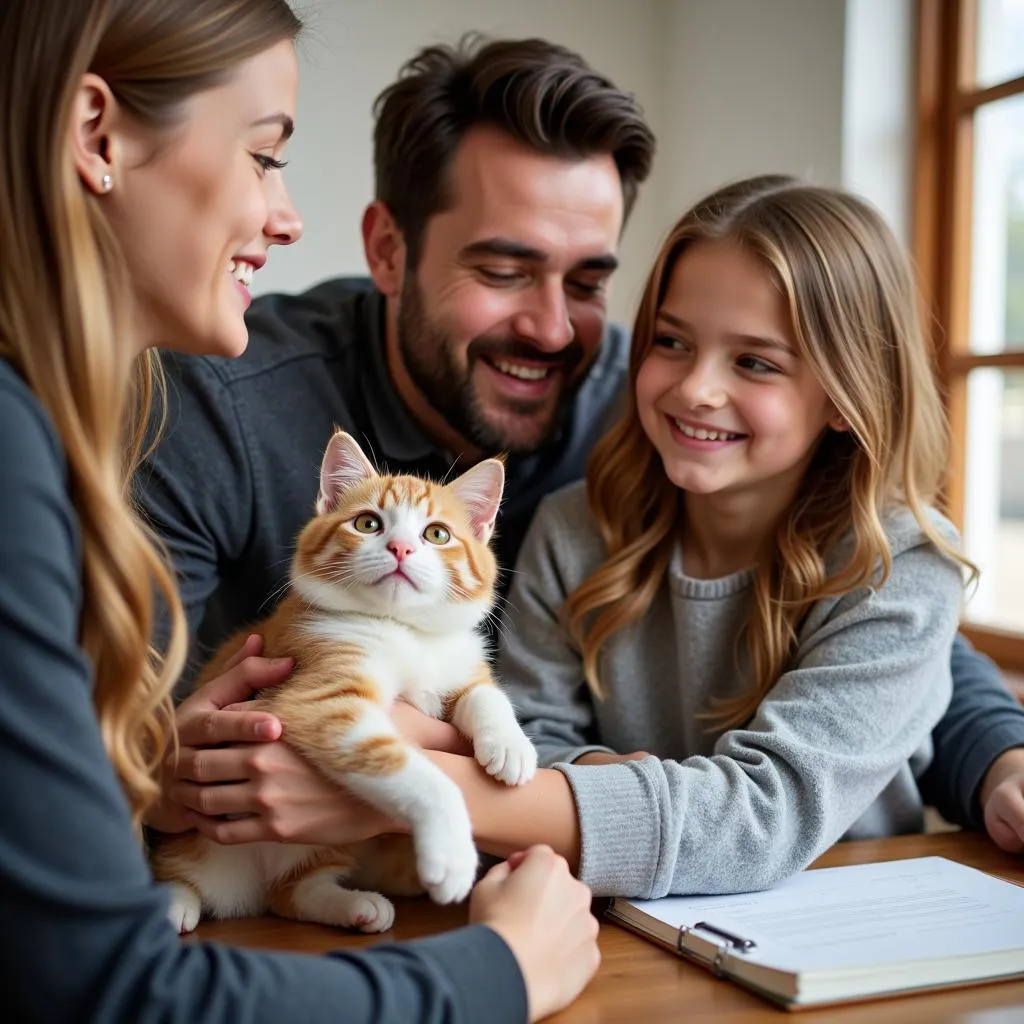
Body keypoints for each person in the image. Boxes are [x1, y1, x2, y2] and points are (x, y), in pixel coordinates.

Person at [140, 37, 1024, 861]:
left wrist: (997, 753)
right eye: (503, 271)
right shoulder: (221, 405)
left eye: (591, 281)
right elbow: (79, 725)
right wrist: (151, 773)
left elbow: (883, 611)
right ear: (388, 249)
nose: (556, 328)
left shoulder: (645, 416)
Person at [0, 3, 599, 1022]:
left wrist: (977, 745)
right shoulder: (172, 408)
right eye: (264, 156)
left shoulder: (625, 389)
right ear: (97, 137)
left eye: (588, 281)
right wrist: (497, 972)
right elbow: (103, 976)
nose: (553, 325)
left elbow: (854, 556)